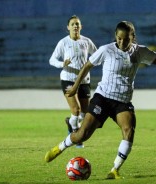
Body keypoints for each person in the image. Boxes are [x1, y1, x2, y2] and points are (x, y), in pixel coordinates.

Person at [45, 21, 156, 179]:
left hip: (123, 102)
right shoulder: (106, 50)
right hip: (103, 98)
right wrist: (74, 87)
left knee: (128, 131)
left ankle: (115, 170)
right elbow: (87, 66)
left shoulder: (140, 52)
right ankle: (60, 147)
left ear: (132, 37)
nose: (121, 42)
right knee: (82, 135)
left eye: (125, 39)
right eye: (119, 38)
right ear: (115, 36)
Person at [49, 15, 97, 148]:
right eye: (73, 24)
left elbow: (97, 54)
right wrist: (62, 64)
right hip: (68, 79)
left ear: (81, 27)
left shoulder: (86, 42)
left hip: (84, 81)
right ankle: (76, 135)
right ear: (68, 27)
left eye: (77, 24)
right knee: (76, 110)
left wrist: (92, 62)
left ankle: (71, 123)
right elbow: (52, 60)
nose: (75, 26)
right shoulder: (63, 43)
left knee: (84, 113)